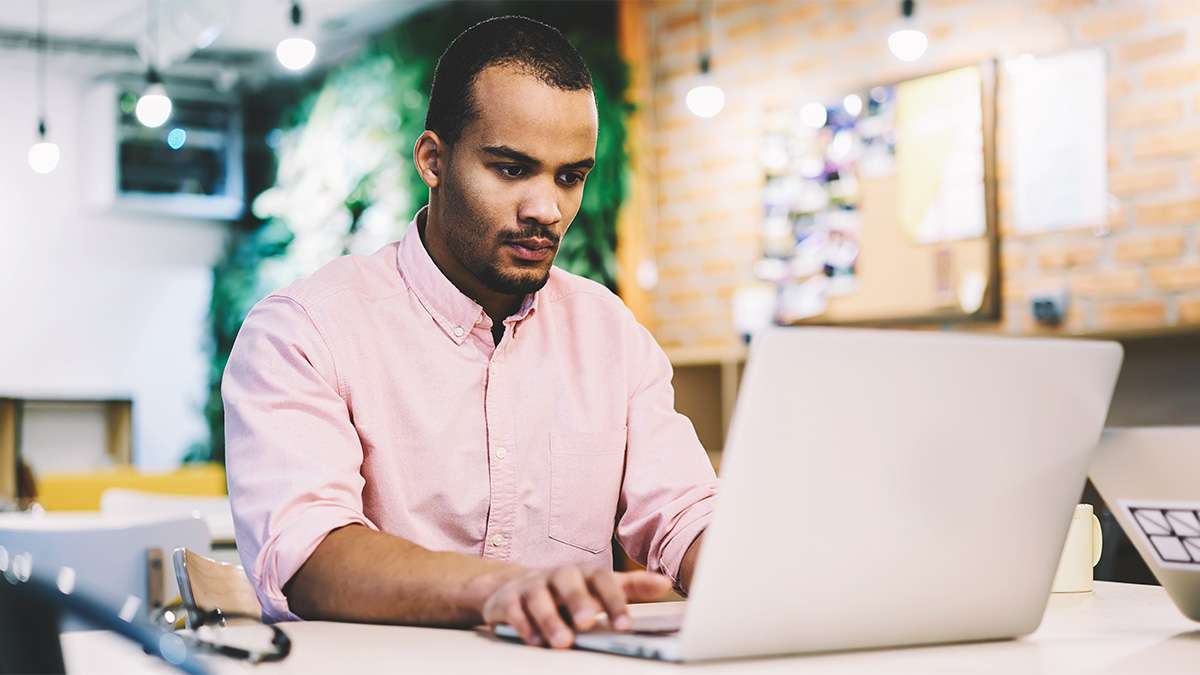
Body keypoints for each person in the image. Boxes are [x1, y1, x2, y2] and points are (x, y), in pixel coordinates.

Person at [223, 15, 717, 650]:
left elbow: (684, 511)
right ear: (434, 160)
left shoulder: (609, 334)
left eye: (570, 177)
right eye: (511, 169)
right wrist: (502, 590)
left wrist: (759, 568)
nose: (546, 210)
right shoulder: (305, 330)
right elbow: (308, 556)